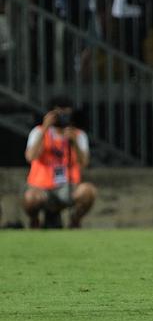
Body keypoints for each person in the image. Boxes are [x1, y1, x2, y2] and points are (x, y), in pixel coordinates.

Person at [23, 96, 97, 229]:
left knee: (88, 191)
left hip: (68, 187)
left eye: (66, 114)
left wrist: (74, 143)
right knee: (30, 198)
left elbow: (84, 163)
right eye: (59, 114)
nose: (63, 117)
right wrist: (45, 128)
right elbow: (30, 157)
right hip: (42, 188)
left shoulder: (78, 135)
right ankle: (35, 221)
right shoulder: (39, 132)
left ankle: (75, 220)